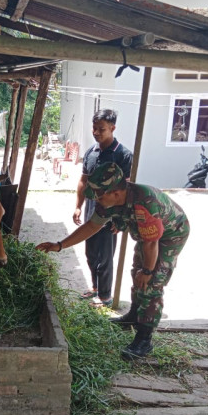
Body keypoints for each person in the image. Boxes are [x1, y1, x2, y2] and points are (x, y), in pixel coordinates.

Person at [37, 162, 190, 359]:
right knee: (137, 272)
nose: (98, 201)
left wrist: (149, 271)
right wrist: (59, 245)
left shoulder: (145, 203)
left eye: (100, 196)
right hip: (146, 237)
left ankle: (144, 339)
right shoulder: (108, 202)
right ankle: (134, 316)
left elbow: (152, 244)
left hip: (170, 235)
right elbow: (91, 226)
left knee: (150, 283)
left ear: (116, 193)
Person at [74, 109, 133, 308]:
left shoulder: (123, 155)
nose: (96, 132)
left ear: (112, 128)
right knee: (90, 254)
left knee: (105, 256)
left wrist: (120, 219)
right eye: (94, 128)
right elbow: (83, 181)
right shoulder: (91, 152)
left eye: (101, 129)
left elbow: (126, 189)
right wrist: (78, 206)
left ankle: (106, 296)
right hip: (92, 211)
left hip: (110, 215)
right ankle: (95, 288)